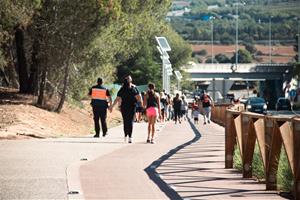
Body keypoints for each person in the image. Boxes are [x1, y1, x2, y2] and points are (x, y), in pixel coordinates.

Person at [110, 75, 142, 143]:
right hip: (132, 106)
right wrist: (140, 106)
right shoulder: (133, 88)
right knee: (130, 121)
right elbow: (139, 97)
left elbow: (117, 99)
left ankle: (125, 136)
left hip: (124, 107)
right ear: (130, 81)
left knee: (125, 121)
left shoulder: (122, 89)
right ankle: (130, 137)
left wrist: (112, 106)